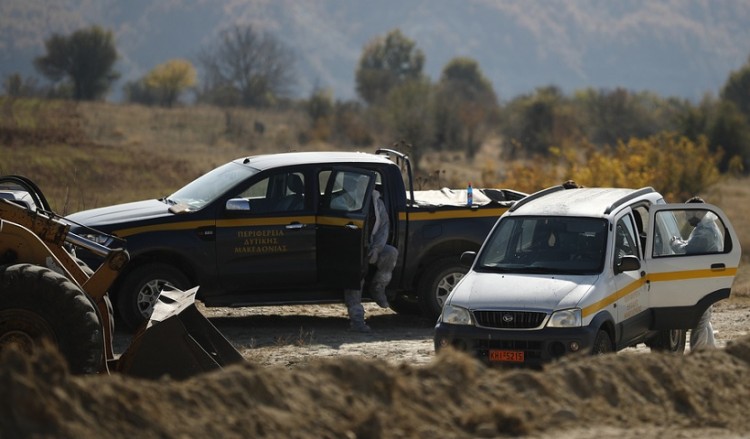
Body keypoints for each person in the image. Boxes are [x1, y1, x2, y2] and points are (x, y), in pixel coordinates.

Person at [670, 196, 723, 350]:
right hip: (705, 280)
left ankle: (698, 354)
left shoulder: (705, 231)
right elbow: (691, 245)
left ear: (698, 213)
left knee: (699, 320)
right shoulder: (705, 227)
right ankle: (710, 351)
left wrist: (674, 242)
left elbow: (687, 250)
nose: (686, 218)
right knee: (704, 318)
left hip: (704, 281)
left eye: (688, 213)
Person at [343, 187, 398, 333]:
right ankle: (357, 320)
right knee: (356, 278)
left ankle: (378, 288)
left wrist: (377, 249)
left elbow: (384, 228)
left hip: (371, 245)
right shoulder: (345, 200)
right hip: (352, 248)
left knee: (390, 253)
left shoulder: (377, 203)